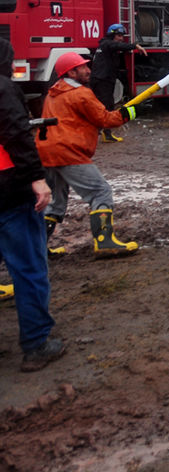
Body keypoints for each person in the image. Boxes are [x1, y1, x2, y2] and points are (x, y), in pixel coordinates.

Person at [0, 38, 65, 371]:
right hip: (9, 193)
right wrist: (37, 179)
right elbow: (16, 135)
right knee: (28, 269)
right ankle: (36, 345)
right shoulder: (3, 89)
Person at [38, 53, 139, 258]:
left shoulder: (53, 93)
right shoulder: (80, 94)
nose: (88, 70)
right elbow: (104, 119)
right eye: (83, 67)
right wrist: (127, 113)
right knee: (100, 192)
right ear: (71, 72)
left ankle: (37, 249)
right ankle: (105, 242)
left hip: (47, 153)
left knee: (55, 203)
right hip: (69, 152)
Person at [90, 23, 146, 143]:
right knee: (108, 107)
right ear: (112, 35)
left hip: (101, 80)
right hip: (102, 81)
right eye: (119, 35)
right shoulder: (107, 44)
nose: (121, 38)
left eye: (122, 36)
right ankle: (106, 134)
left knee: (100, 107)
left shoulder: (104, 45)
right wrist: (135, 46)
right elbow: (117, 45)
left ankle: (99, 132)